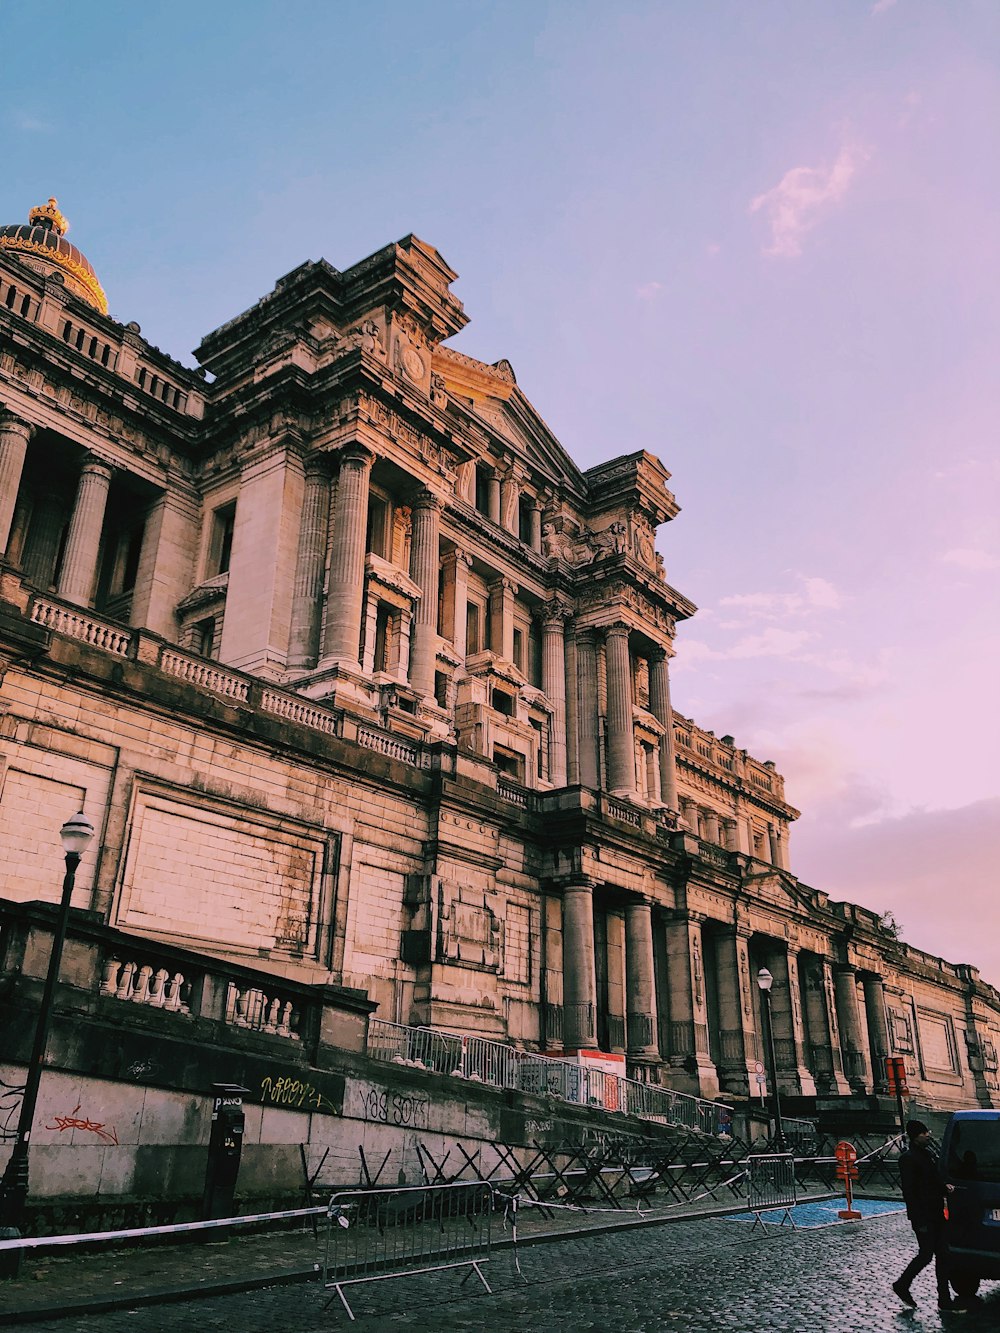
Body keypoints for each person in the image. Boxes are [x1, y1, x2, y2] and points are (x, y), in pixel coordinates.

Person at [893, 1120, 955, 1311]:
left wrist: (944, 1188)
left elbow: (931, 1180)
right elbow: (910, 1192)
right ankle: (902, 1284)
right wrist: (918, 1220)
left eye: (927, 1131)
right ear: (915, 1136)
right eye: (923, 1133)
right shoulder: (908, 1159)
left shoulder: (927, 1154)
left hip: (936, 1212)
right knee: (926, 1254)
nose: (928, 1134)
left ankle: (944, 1299)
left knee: (942, 1255)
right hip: (923, 1216)